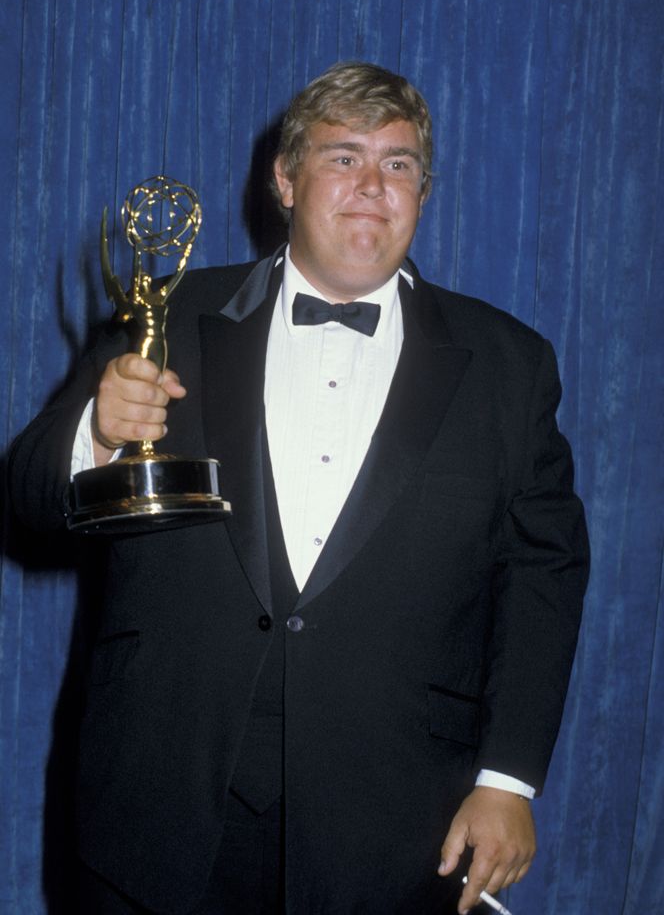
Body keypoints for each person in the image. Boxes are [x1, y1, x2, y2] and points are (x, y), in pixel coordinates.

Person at [9, 61, 589, 914]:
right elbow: (24, 502)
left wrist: (509, 779)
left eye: (398, 165)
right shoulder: (165, 318)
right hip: (154, 814)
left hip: (391, 832)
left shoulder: (511, 362)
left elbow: (544, 579)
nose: (371, 186)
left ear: (424, 191)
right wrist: (95, 434)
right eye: (343, 157)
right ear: (284, 180)